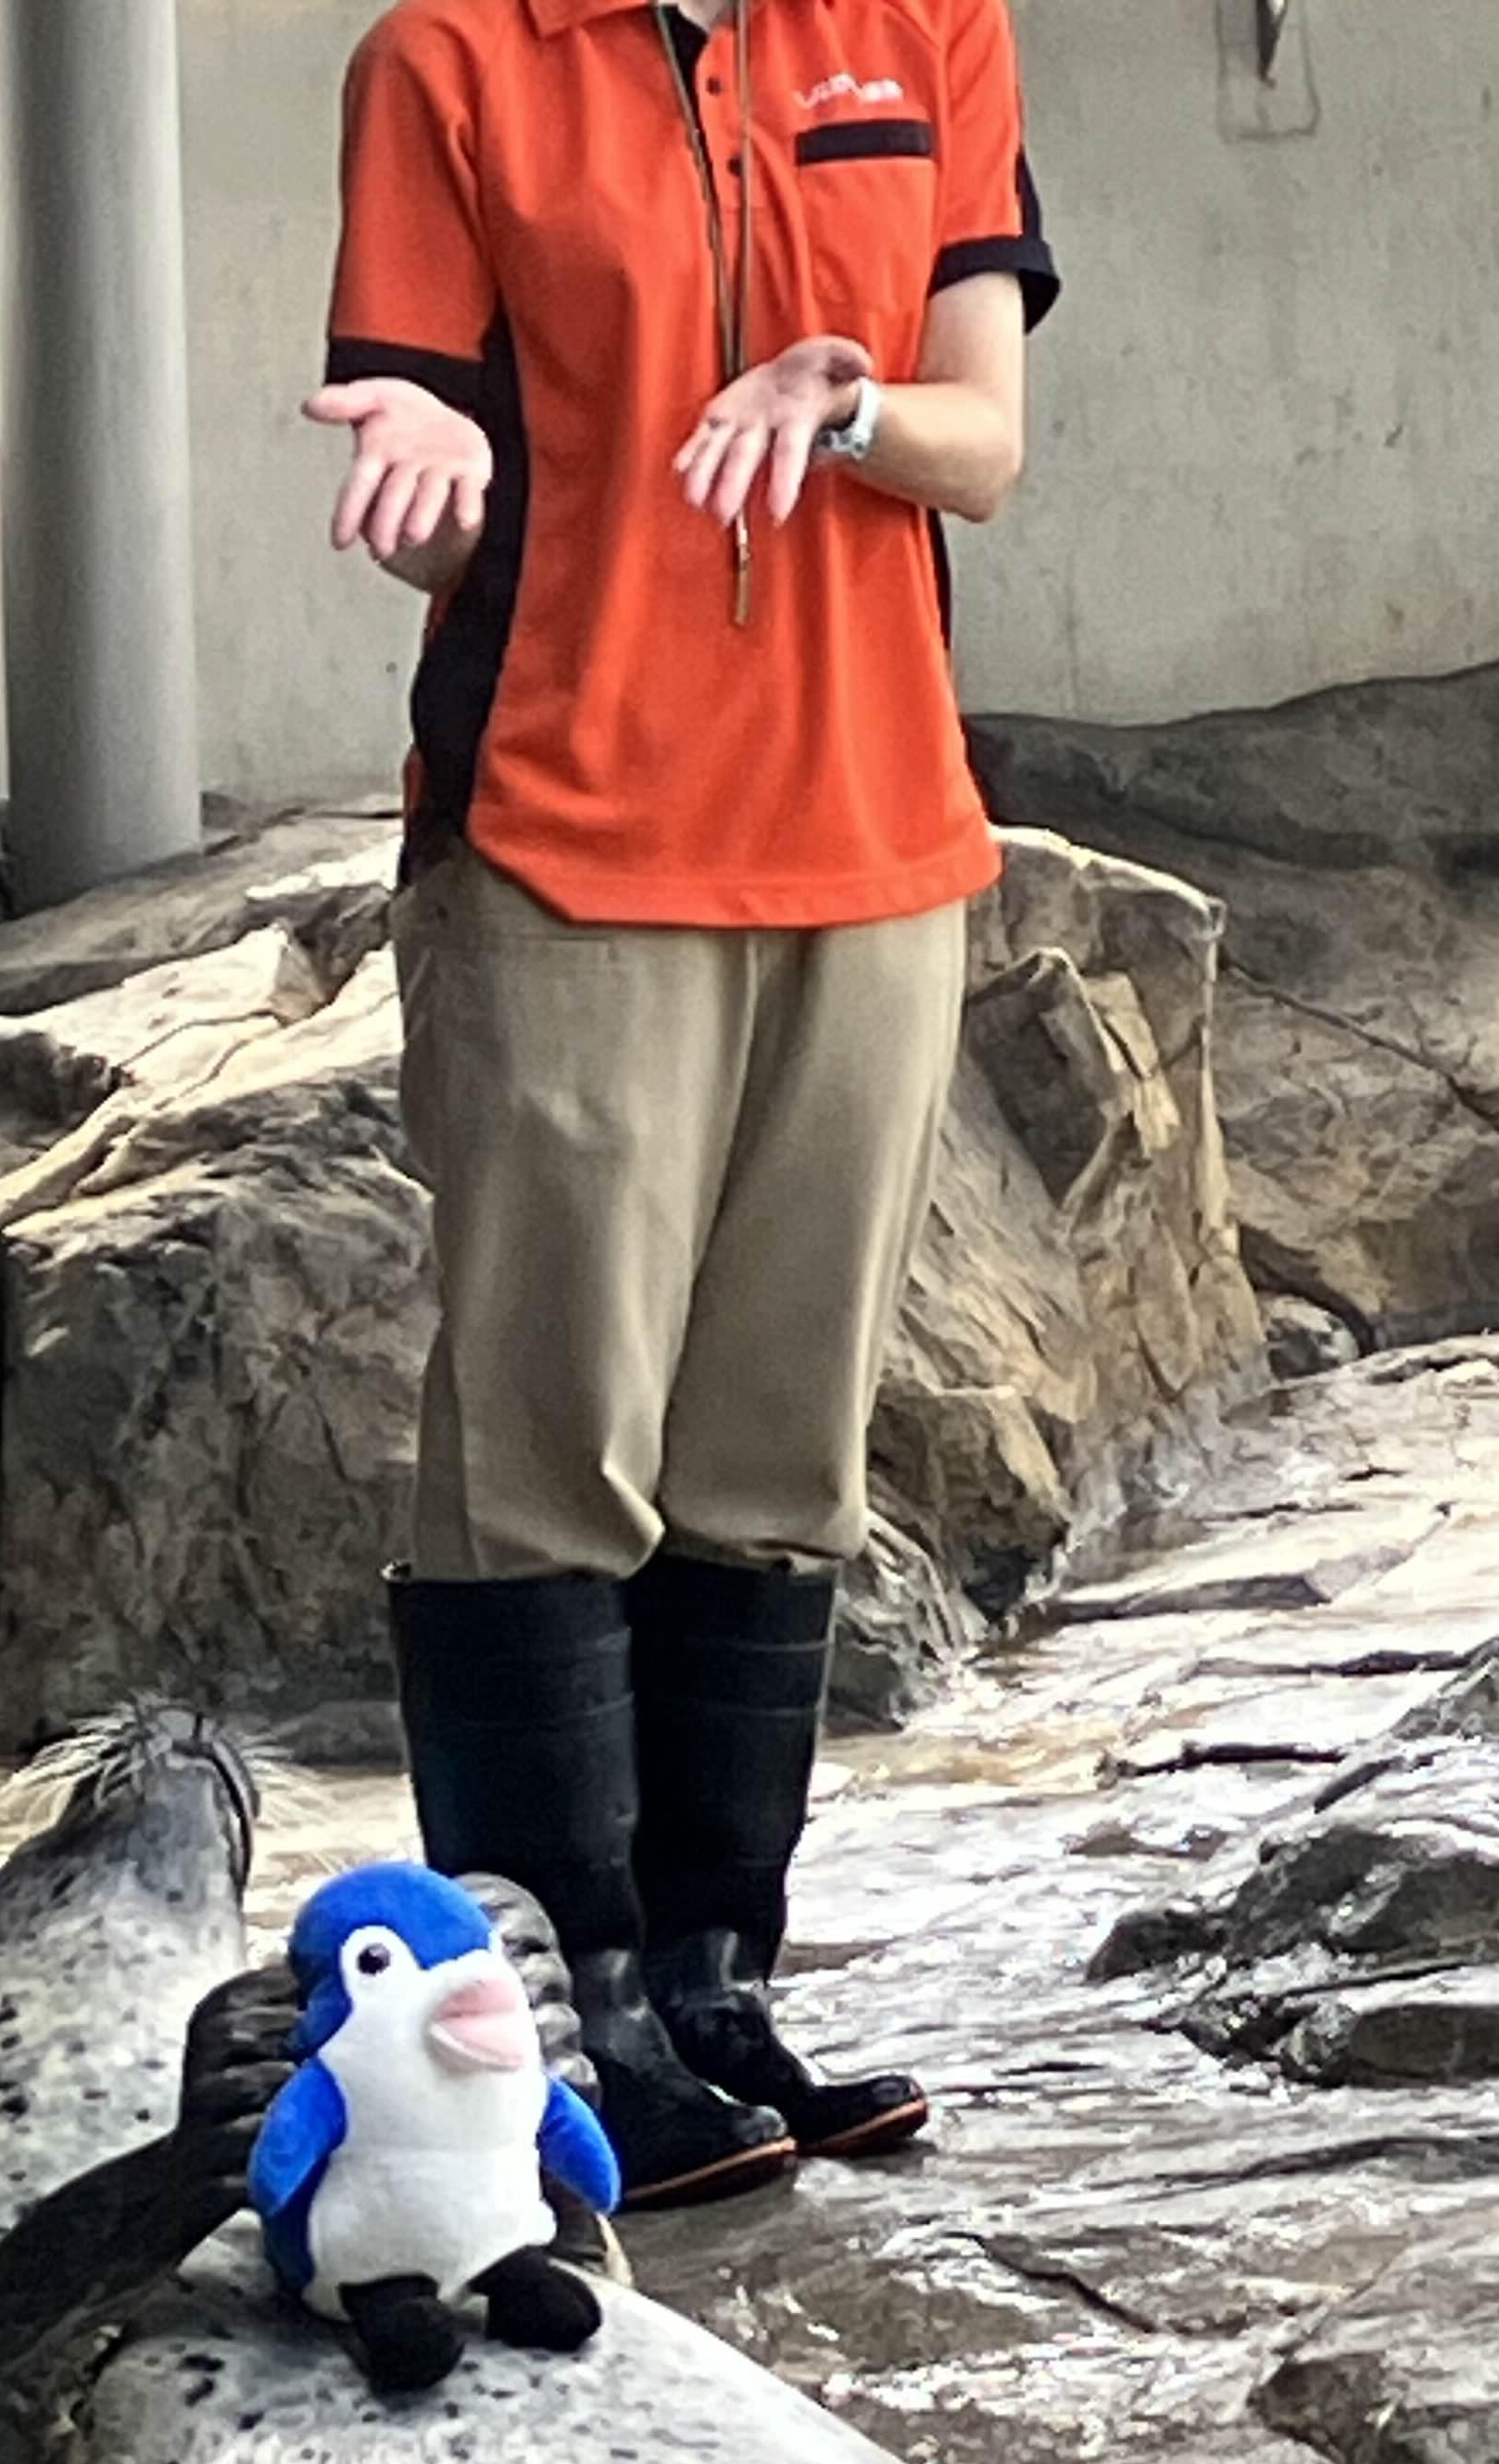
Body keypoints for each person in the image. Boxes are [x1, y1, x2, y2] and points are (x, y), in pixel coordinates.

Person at [305, 0, 1055, 2211]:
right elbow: (434, 481)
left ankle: (716, 1987)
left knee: (778, 1446)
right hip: (569, 832)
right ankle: (561, 2020)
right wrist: (420, 490)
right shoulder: (449, 60)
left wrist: (852, 403)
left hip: (873, 832)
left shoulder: (929, 30)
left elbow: (985, 441)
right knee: (554, 1452)